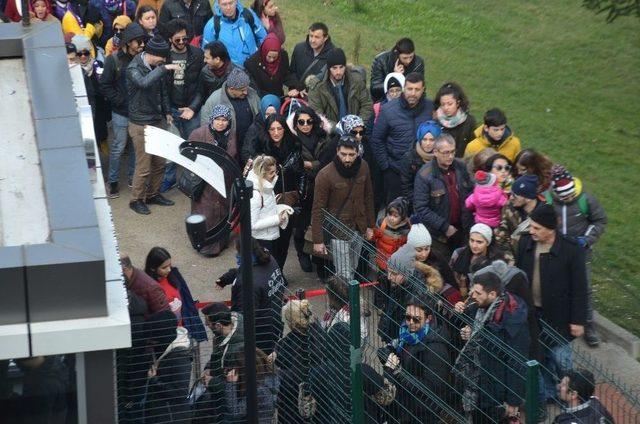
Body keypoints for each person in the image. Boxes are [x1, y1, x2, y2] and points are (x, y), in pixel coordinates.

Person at [515, 203, 588, 401]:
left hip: (559, 317)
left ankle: (569, 397)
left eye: (537, 228)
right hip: (532, 313)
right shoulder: (525, 244)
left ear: (551, 228)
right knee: (539, 357)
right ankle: (548, 395)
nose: (532, 231)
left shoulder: (571, 250)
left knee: (561, 360)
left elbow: (580, 287)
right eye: (531, 226)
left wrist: (578, 319)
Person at [455, 270, 530, 423]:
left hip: (494, 388)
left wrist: (513, 400)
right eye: (472, 291)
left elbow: (516, 361)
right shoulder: (480, 306)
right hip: (479, 380)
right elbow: (476, 329)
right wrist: (466, 324)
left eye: (477, 293)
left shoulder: (511, 320)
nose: (472, 295)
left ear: (492, 294)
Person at [545, 164, 607, 347]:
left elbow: (600, 220)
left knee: (583, 288)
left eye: (571, 195)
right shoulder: (548, 199)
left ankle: (588, 325)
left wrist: (586, 239)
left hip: (580, 251)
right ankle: (558, 321)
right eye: (565, 197)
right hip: (555, 251)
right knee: (555, 286)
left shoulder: (585, 199)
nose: (570, 198)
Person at [311, 136, 375, 281]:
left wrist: (370, 226)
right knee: (344, 274)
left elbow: (368, 197)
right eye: (343, 154)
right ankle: (346, 302)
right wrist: (318, 240)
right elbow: (317, 209)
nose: (347, 159)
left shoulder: (364, 167)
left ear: (358, 153)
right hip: (337, 231)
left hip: (358, 227)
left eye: (351, 155)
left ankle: (343, 298)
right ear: (337, 152)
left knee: (352, 268)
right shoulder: (325, 175)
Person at [378, 297, 450, 424]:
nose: (410, 322)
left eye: (416, 319)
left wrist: (398, 372)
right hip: (403, 404)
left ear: (428, 319)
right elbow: (399, 351)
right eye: (407, 317)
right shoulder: (408, 334)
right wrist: (388, 354)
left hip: (421, 413)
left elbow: (432, 388)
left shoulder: (436, 349)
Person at [127, 35, 177, 215]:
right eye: (162, 58)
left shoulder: (157, 67)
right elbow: (144, 83)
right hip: (140, 124)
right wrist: (163, 69)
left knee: (159, 163)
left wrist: (167, 111)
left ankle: (153, 194)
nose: (164, 60)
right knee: (143, 167)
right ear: (153, 54)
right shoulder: (134, 68)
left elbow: (162, 91)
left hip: (157, 120)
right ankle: (136, 200)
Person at [372, 72, 434, 204]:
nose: (413, 93)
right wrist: (386, 167)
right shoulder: (389, 110)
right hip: (395, 171)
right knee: (396, 211)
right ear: (404, 88)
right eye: (409, 89)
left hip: (424, 171)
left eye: (417, 89)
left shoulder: (431, 109)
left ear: (423, 90)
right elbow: (377, 139)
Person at [215, 239, 285, 355]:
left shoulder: (247, 283)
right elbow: (246, 270)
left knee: (258, 367)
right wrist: (227, 278)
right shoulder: (269, 260)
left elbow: (243, 316)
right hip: (275, 324)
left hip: (258, 336)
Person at [159, 19, 205, 193]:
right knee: (171, 147)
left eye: (185, 39)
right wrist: (166, 110)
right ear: (170, 39)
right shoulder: (164, 56)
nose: (182, 42)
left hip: (191, 109)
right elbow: (162, 87)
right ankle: (169, 179)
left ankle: (190, 180)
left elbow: (201, 87)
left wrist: (193, 108)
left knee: (192, 146)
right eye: (177, 39)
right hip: (171, 109)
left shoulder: (197, 55)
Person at [100, 23, 146, 198]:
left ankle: (133, 179)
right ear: (128, 42)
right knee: (118, 147)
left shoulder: (141, 58)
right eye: (138, 41)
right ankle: (112, 182)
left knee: (135, 147)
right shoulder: (113, 60)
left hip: (137, 113)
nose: (142, 44)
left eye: (142, 41)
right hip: (120, 113)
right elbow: (105, 85)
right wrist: (120, 101)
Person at [251, 115, 301, 268]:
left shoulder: (293, 145)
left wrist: (300, 195)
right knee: (271, 242)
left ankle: (279, 270)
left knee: (285, 241)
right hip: (268, 199)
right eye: (272, 129)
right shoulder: (260, 150)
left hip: (289, 198)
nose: (276, 132)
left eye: (279, 128)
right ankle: (272, 271)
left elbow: (300, 173)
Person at [413, 133, 474, 258]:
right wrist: (445, 227)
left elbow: (470, 193)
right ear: (435, 152)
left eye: (453, 151)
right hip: (438, 236)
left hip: (463, 230)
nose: (450, 156)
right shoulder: (425, 175)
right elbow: (421, 208)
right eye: (446, 152)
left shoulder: (461, 167)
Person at [188, 105, 237, 256]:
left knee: (222, 213)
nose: (221, 123)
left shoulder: (232, 135)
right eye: (218, 119)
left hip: (224, 183)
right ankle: (204, 245)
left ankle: (220, 243)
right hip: (204, 184)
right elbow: (188, 155)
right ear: (212, 119)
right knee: (205, 214)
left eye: (224, 120)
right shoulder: (198, 134)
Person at [288, 106, 331, 272]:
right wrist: (313, 165)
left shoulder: (323, 137)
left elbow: (326, 161)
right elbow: (296, 164)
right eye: (301, 122)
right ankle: (302, 253)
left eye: (309, 121)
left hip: (321, 186)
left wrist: (311, 164)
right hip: (302, 187)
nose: (305, 125)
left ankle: (317, 255)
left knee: (319, 222)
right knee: (301, 224)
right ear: (296, 124)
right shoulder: (292, 140)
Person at [144, 246, 207, 341]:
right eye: (164, 267)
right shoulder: (148, 285)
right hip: (164, 336)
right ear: (153, 268)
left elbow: (187, 298)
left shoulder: (174, 274)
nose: (169, 269)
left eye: (170, 265)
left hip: (183, 329)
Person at [276, 299, 322, 424]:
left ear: (292, 323)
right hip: (320, 397)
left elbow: (290, 379)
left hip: (294, 406)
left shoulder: (290, 345)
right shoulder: (319, 332)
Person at [143, 310, 192, 424]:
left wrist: (154, 380)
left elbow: (180, 393)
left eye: (152, 340)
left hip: (172, 417)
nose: (150, 343)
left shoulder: (179, 357)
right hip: (162, 413)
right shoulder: (163, 350)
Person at [200, 67, 260, 160]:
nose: (246, 92)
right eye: (242, 90)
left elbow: (259, 115)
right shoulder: (214, 99)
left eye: (246, 88)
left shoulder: (252, 94)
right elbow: (205, 125)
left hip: (249, 146)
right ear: (232, 89)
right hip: (228, 149)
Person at [199, 302, 244, 424]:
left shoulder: (237, 350)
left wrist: (212, 382)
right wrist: (208, 367)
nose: (205, 325)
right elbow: (218, 356)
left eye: (208, 323)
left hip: (229, 405)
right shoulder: (221, 335)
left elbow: (236, 383)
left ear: (218, 325)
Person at [307, 48, 373, 126]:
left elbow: (367, 105)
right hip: (329, 134)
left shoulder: (356, 80)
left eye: (341, 67)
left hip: (356, 130)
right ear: (328, 68)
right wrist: (340, 128)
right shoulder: (317, 87)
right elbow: (317, 116)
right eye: (334, 68)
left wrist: (357, 124)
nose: (338, 72)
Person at [245, 154, 289, 261]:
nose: (275, 175)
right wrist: (277, 219)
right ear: (262, 173)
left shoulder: (267, 186)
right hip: (262, 240)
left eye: (275, 171)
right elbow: (252, 224)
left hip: (269, 235)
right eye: (271, 173)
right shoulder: (256, 195)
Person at [201, 0, 267, 67]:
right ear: (218, 4)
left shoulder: (248, 15)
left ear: (236, 1)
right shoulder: (212, 26)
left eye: (231, 3)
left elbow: (263, 37)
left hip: (255, 66)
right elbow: (207, 53)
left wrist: (262, 57)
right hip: (231, 73)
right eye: (224, 4)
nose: (228, 7)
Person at [406, 223, 460, 304]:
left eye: (427, 249)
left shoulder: (437, 257)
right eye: (419, 250)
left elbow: (450, 278)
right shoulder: (405, 261)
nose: (424, 254)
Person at [223, 348, 277, 423]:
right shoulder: (264, 379)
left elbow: (235, 413)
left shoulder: (259, 390)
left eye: (236, 367)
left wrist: (231, 383)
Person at [494, 174, 540, 260]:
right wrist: (510, 261)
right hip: (513, 262)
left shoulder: (544, 213)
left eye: (514, 195)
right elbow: (501, 237)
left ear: (528, 198)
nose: (510, 198)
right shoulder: (509, 207)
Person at [450, 223, 502, 298]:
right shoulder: (458, 253)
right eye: (472, 240)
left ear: (487, 242)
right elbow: (450, 276)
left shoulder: (494, 261)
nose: (474, 246)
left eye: (479, 242)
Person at [243, 33, 299, 97]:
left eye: (275, 57)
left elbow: (286, 75)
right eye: (269, 56)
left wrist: (296, 86)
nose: (272, 60)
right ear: (264, 51)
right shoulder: (251, 63)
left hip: (279, 96)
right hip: (261, 99)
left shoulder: (283, 56)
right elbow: (253, 88)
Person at [370, 37, 425, 103]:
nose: (408, 61)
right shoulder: (381, 60)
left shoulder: (418, 63)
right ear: (397, 54)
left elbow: (419, 87)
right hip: (383, 100)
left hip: (408, 101)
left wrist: (401, 78)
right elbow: (374, 88)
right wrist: (394, 76)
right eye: (405, 58)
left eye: (411, 57)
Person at [399, 120, 442, 203]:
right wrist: (420, 203)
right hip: (416, 202)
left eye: (432, 140)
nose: (428, 143)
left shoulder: (442, 156)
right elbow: (406, 187)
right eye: (424, 139)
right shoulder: (409, 158)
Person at [434, 82, 477, 157]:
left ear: (458, 103)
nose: (446, 108)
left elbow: (473, 146)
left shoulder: (469, 122)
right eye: (443, 104)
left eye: (450, 104)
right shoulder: (435, 121)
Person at [289, 22, 335, 90]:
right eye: (311, 36)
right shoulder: (299, 48)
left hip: (318, 96)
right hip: (297, 93)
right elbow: (291, 72)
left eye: (317, 37)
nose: (313, 40)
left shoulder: (333, 55)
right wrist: (297, 88)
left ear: (325, 38)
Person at [373, 196, 411, 272]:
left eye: (395, 216)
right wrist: (371, 235)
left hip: (398, 263)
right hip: (383, 260)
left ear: (402, 217)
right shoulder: (382, 224)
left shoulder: (408, 227)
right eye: (389, 214)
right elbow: (375, 236)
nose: (391, 218)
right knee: (382, 279)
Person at [240, 94, 281, 164]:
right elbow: (246, 153)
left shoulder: (282, 124)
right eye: (267, 114)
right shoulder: (255, 128)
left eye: (273, 114)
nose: (270, 117)